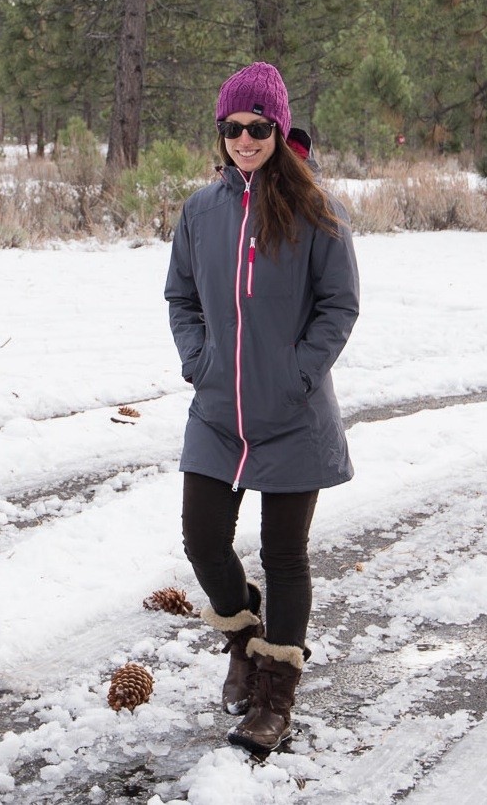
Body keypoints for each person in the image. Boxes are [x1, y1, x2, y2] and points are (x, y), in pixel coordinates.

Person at [165, 61, 361, 755]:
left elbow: (340, 305)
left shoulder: (316, 209)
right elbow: (181, 298)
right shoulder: (201, 211)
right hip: (218, 411)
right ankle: (245, 638)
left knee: (284, 556)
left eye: (256, 127)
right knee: (201, 541)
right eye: (231, 128)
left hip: (292, 414)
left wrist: (298, 373)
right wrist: (199, 362)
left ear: (279, 129)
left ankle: (275, 697)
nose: (243, 139)